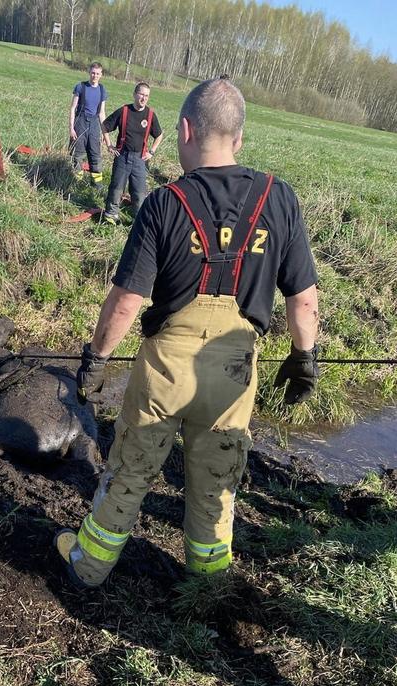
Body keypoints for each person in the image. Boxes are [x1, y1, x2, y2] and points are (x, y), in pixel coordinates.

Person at [55, 76, 319, 587]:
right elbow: (303, 299)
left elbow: (126, 302)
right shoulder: (279, 199)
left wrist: (95, 361)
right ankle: (207, 580)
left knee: (130, 470)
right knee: (218, 483)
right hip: (236, 370)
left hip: (165, 372)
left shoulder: (162, 204)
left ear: (184, 131)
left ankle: (89, 565)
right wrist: (304, 356)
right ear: (239, 138)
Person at [102, 82, 163, 224]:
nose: (144, 98)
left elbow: (159, 135)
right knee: (116, 188)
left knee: (139, 192)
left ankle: (138, 220)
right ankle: (111, 215)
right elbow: (105, 126)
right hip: (122, 156)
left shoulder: (150, 115)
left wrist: (152, 152)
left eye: (146, 96)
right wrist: (109, 145)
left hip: (140, 159)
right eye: (141, 94)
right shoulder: (124, 111)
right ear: (135, 94)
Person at [69, 63, 107, 188]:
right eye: (93, 73)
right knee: (77, 154)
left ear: (101, 75)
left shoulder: (102, 90)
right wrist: (71, 128)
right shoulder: (80, 87)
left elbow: (102, 113)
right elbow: (73, 108)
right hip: (80, 121)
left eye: (97, 73)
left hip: (95, 124)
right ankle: (76, 183)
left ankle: (96, 185)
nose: (94, 75)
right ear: (89, 72)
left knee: (95, 155)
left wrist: (104, 132)